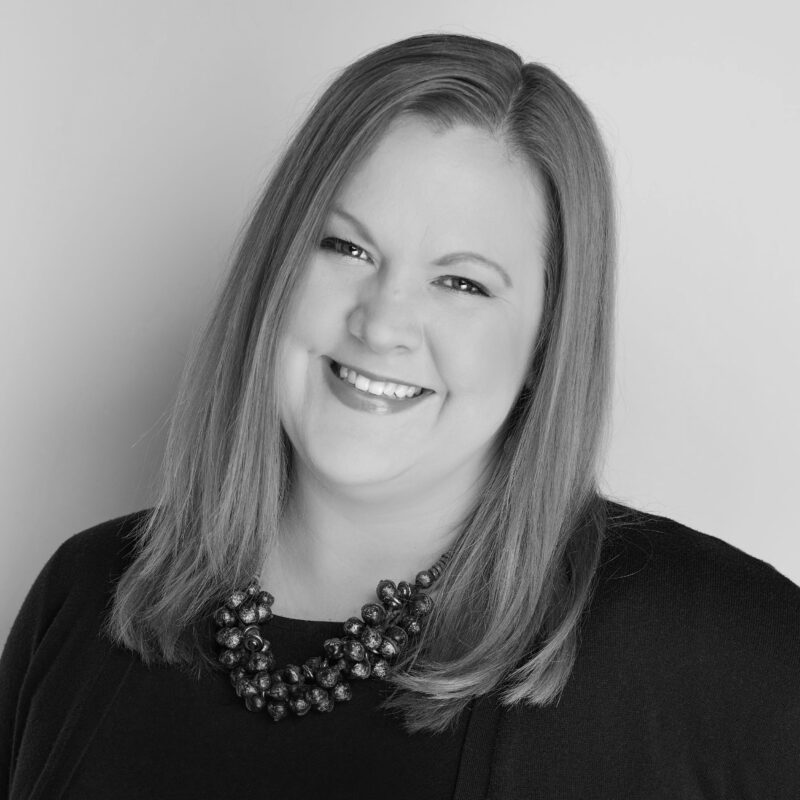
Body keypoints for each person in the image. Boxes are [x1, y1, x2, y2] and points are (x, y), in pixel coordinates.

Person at [1, 32, 798, 800]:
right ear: (273, 269)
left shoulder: (717, 641)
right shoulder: (85, 597)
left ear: (547, 344)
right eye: (345, 248)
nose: (382, 323)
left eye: (463, 283)